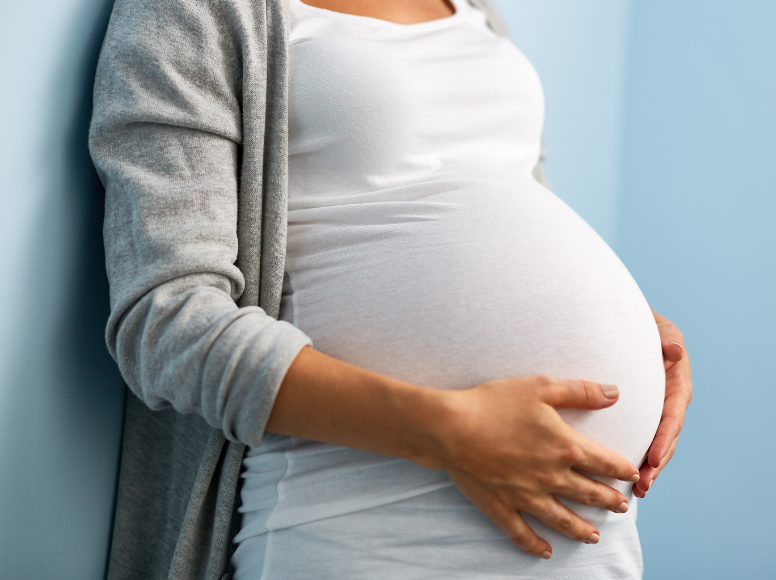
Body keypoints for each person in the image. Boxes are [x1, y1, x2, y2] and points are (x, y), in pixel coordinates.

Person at [89, 0, 693, 578]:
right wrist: (447, 430)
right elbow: (166, 320)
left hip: (586, 541)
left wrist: (636, 330)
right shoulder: (194, 9)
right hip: (363, 517)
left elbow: (498, 201)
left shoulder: (475, 10)